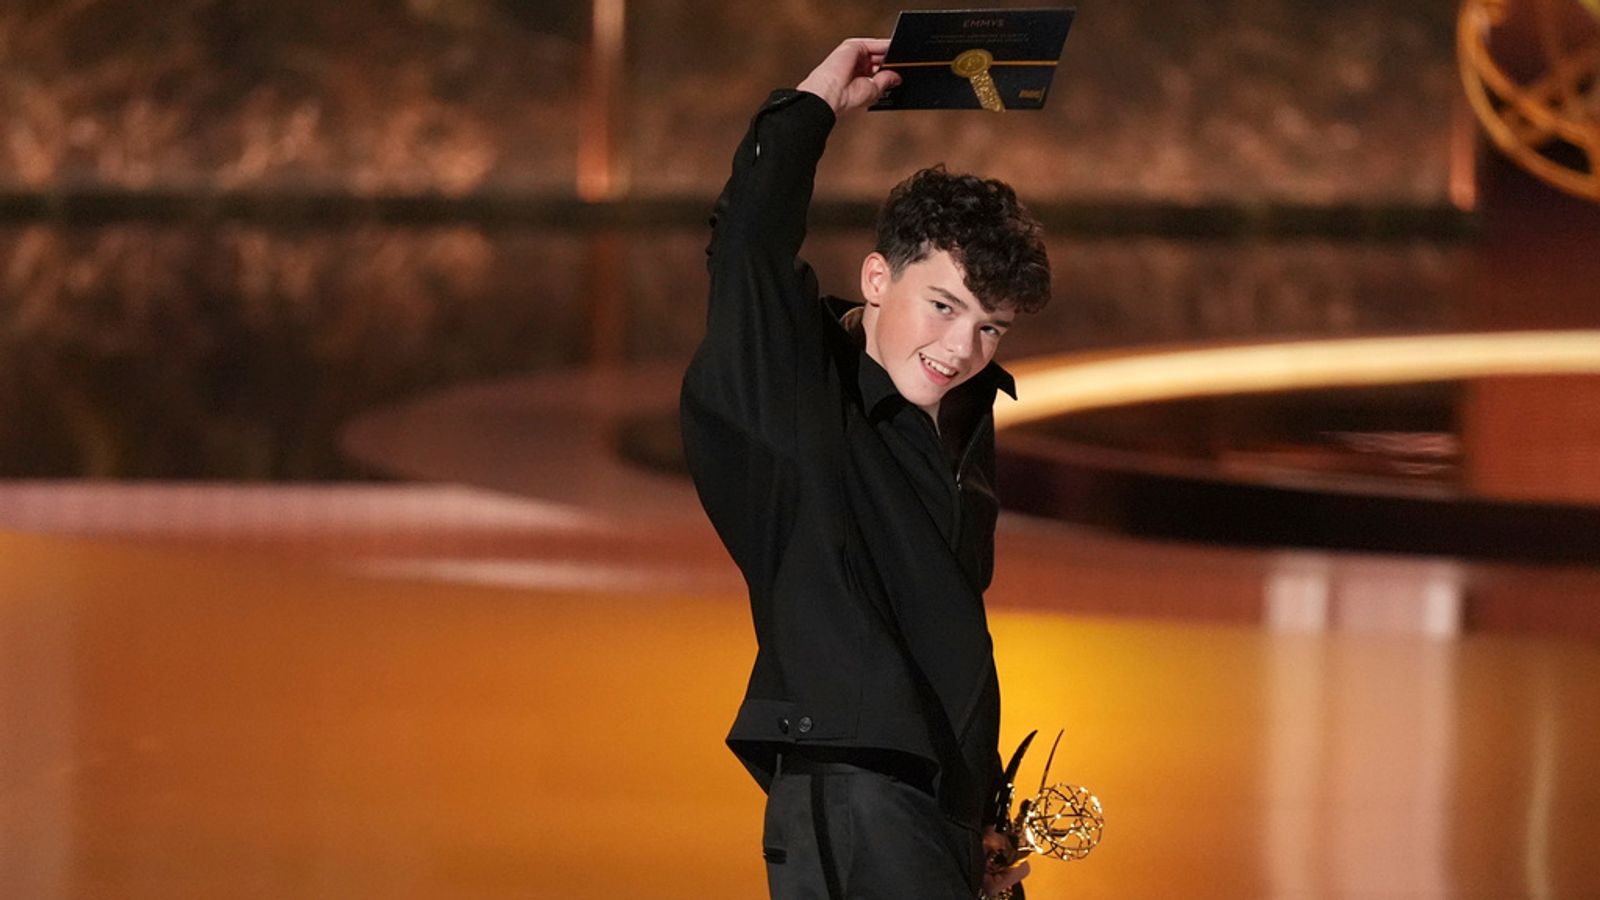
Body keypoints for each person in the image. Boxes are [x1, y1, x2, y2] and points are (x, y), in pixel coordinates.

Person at [680, 37, 1052, 900]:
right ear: (877, 278)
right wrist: (812, 107)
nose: (961, 348)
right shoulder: (801, 393)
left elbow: (939, 643)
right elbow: (747, 249)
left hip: (927, 812)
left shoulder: (963, 420)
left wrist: (974, 818)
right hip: (855, 800)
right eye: (943, 306)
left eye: (989, 326)